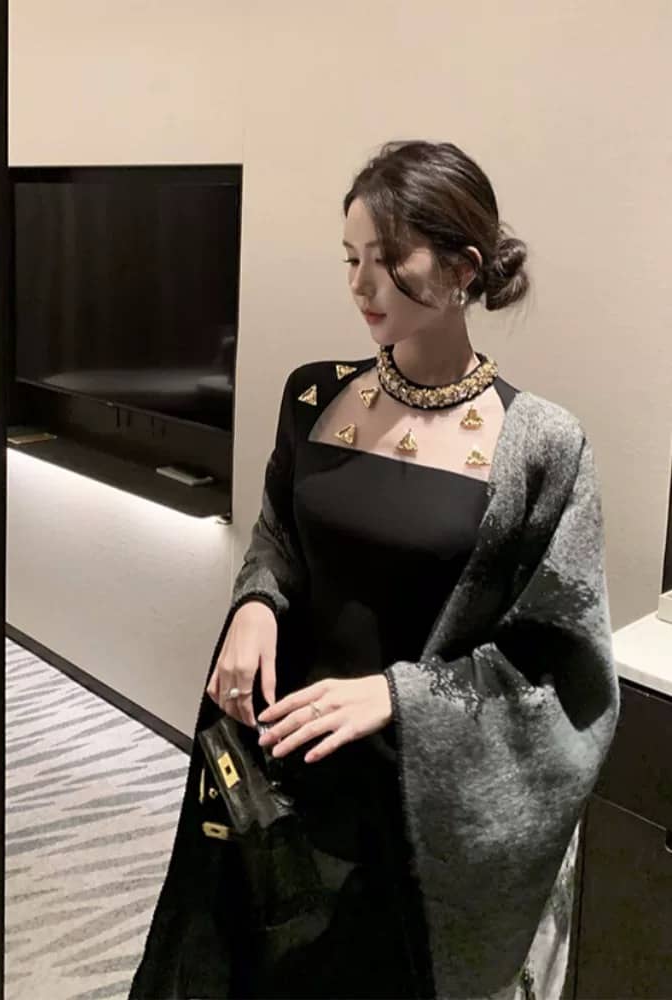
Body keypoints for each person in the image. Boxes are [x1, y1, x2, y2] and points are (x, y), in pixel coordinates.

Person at [128, 140, 619, 1000]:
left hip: (414, 805)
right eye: (351, 258)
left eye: (389, 259)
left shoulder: (542, 446)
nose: (362, 284)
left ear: (464, 269)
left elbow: (564, 664)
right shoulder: (315, 397)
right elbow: (279, 535)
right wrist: (255, 603)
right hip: (282, 762)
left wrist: (400, 696)